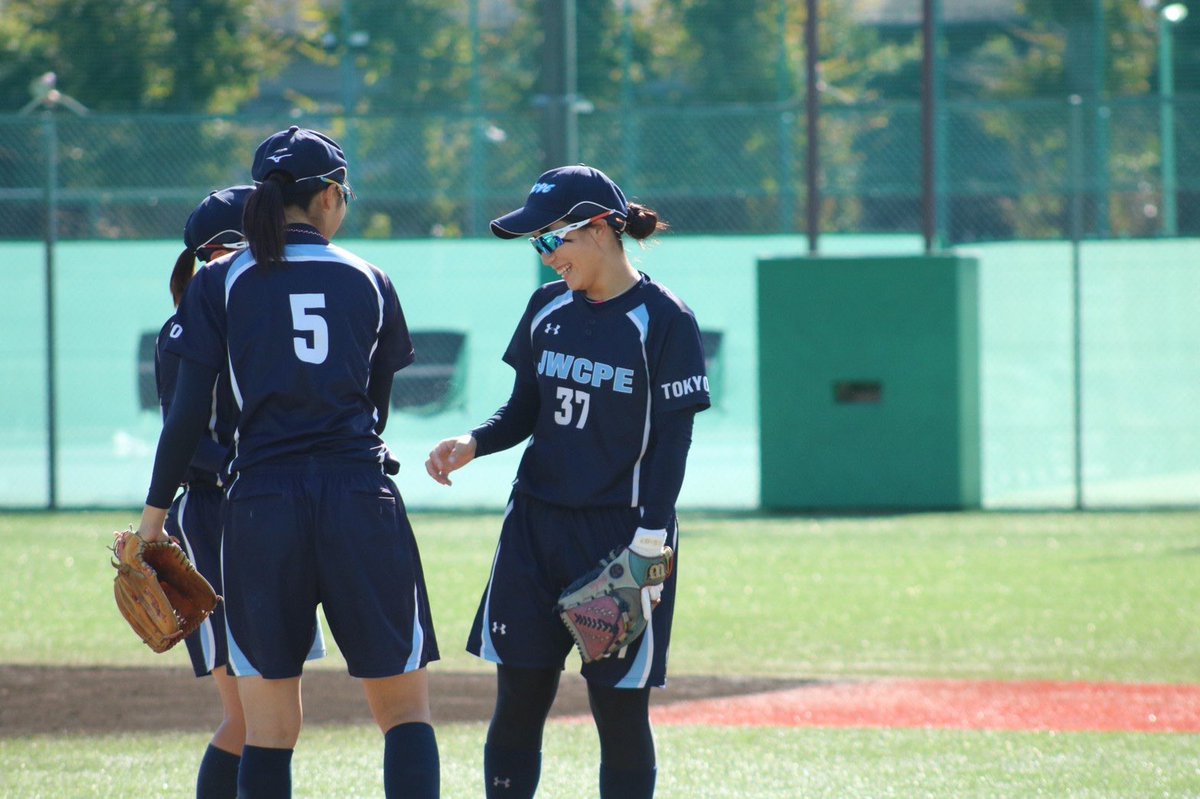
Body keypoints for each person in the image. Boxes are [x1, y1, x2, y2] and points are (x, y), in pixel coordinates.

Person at [131, 126, 440, 798]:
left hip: (261, 504)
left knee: (266, 729)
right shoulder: (369, 277)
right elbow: (377, 407)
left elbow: (185, 417)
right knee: (405, 715)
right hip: (359, 495)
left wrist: (154, 521)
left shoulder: (222, 280)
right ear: (330, 195)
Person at [425, 164, 710, 799]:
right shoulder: (546, 306)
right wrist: (475, 442)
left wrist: (650, 539)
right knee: (520, 697)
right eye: (538, 244)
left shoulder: (663, 320)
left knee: (617, 706)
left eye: (555, 240)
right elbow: (523, 410)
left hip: (619, 538)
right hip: (532, 530)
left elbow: (673, 443)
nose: (547, 256)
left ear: (604, 228)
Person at [158, 186, 327, 799]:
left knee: (273, 716)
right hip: (217, 514)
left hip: (267, 509)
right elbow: (190, 442)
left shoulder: (248, 319)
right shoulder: (196, 328)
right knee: (249, 718)